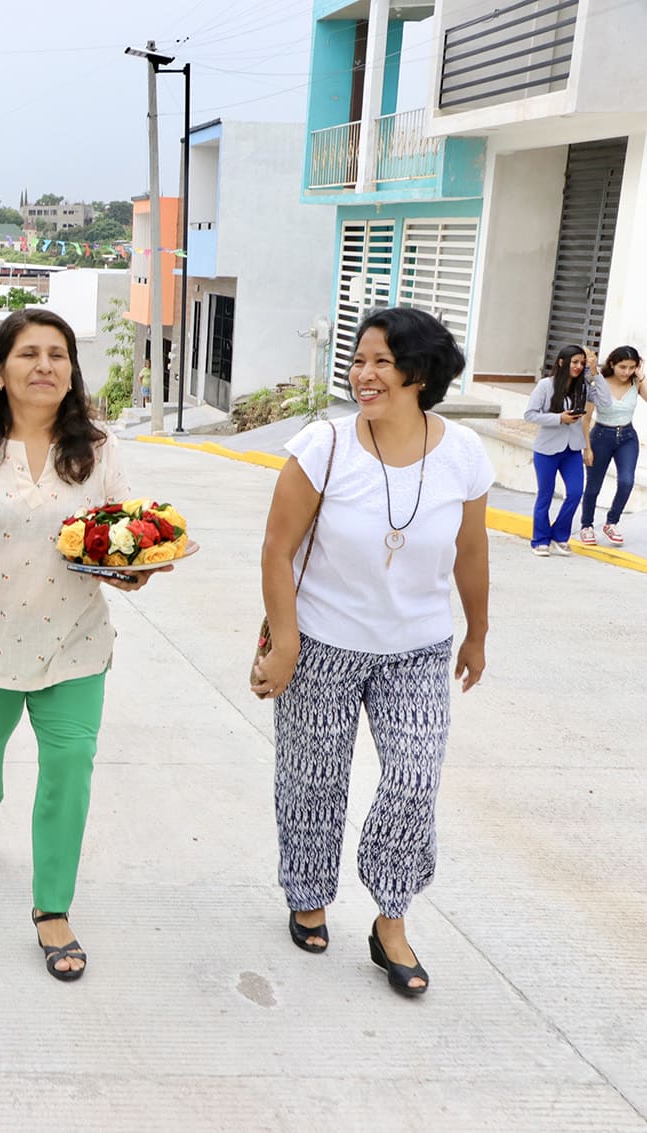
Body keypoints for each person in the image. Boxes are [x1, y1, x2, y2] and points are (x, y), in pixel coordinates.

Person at [0, 308, 163, 983]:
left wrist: (132, 568)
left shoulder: (99, 449)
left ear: (72, 371)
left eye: (58, 354)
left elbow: (126, 529)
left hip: (74, 642)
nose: (44, 365)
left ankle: (53, 907)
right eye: (28, 354)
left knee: (70, 768)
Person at [253, 306, 490, 998]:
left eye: (382, 362)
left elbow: (470, 552)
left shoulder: (464, 453)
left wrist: (477, 629)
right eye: (359, 361)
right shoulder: (323, 446)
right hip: (322, 640)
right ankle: (308, 893)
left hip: (416, 647)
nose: (364, 374)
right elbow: (276, 548)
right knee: (313, 780)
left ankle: (392, 918)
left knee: (414, 780)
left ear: (419, 373)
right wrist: (285, 639)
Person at [524, 345, 604, 556]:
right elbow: (530, 415)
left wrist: (595, 373)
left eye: (582, 363)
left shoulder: (584, 387)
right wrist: (559, 418)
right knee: (546, 495)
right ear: (562, 362)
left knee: (576, 492)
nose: (578, 367)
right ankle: (540, 539)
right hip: (547, 449)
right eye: (574, 362)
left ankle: (559, 535)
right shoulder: (545, 385)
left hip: (572, 450)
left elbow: (606, 402)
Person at [579, 345, 641, 547]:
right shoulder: (598, 383)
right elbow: (586, 420)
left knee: (626, 482)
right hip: (601, 436)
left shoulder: (635, 382)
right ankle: (586, 525)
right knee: (593, 485)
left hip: (627, 437)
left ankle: (611, 522)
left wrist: (640, 377)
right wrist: (586, 448)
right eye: (623, 367)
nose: (627, 372)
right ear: (612, 364)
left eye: (632, 367)